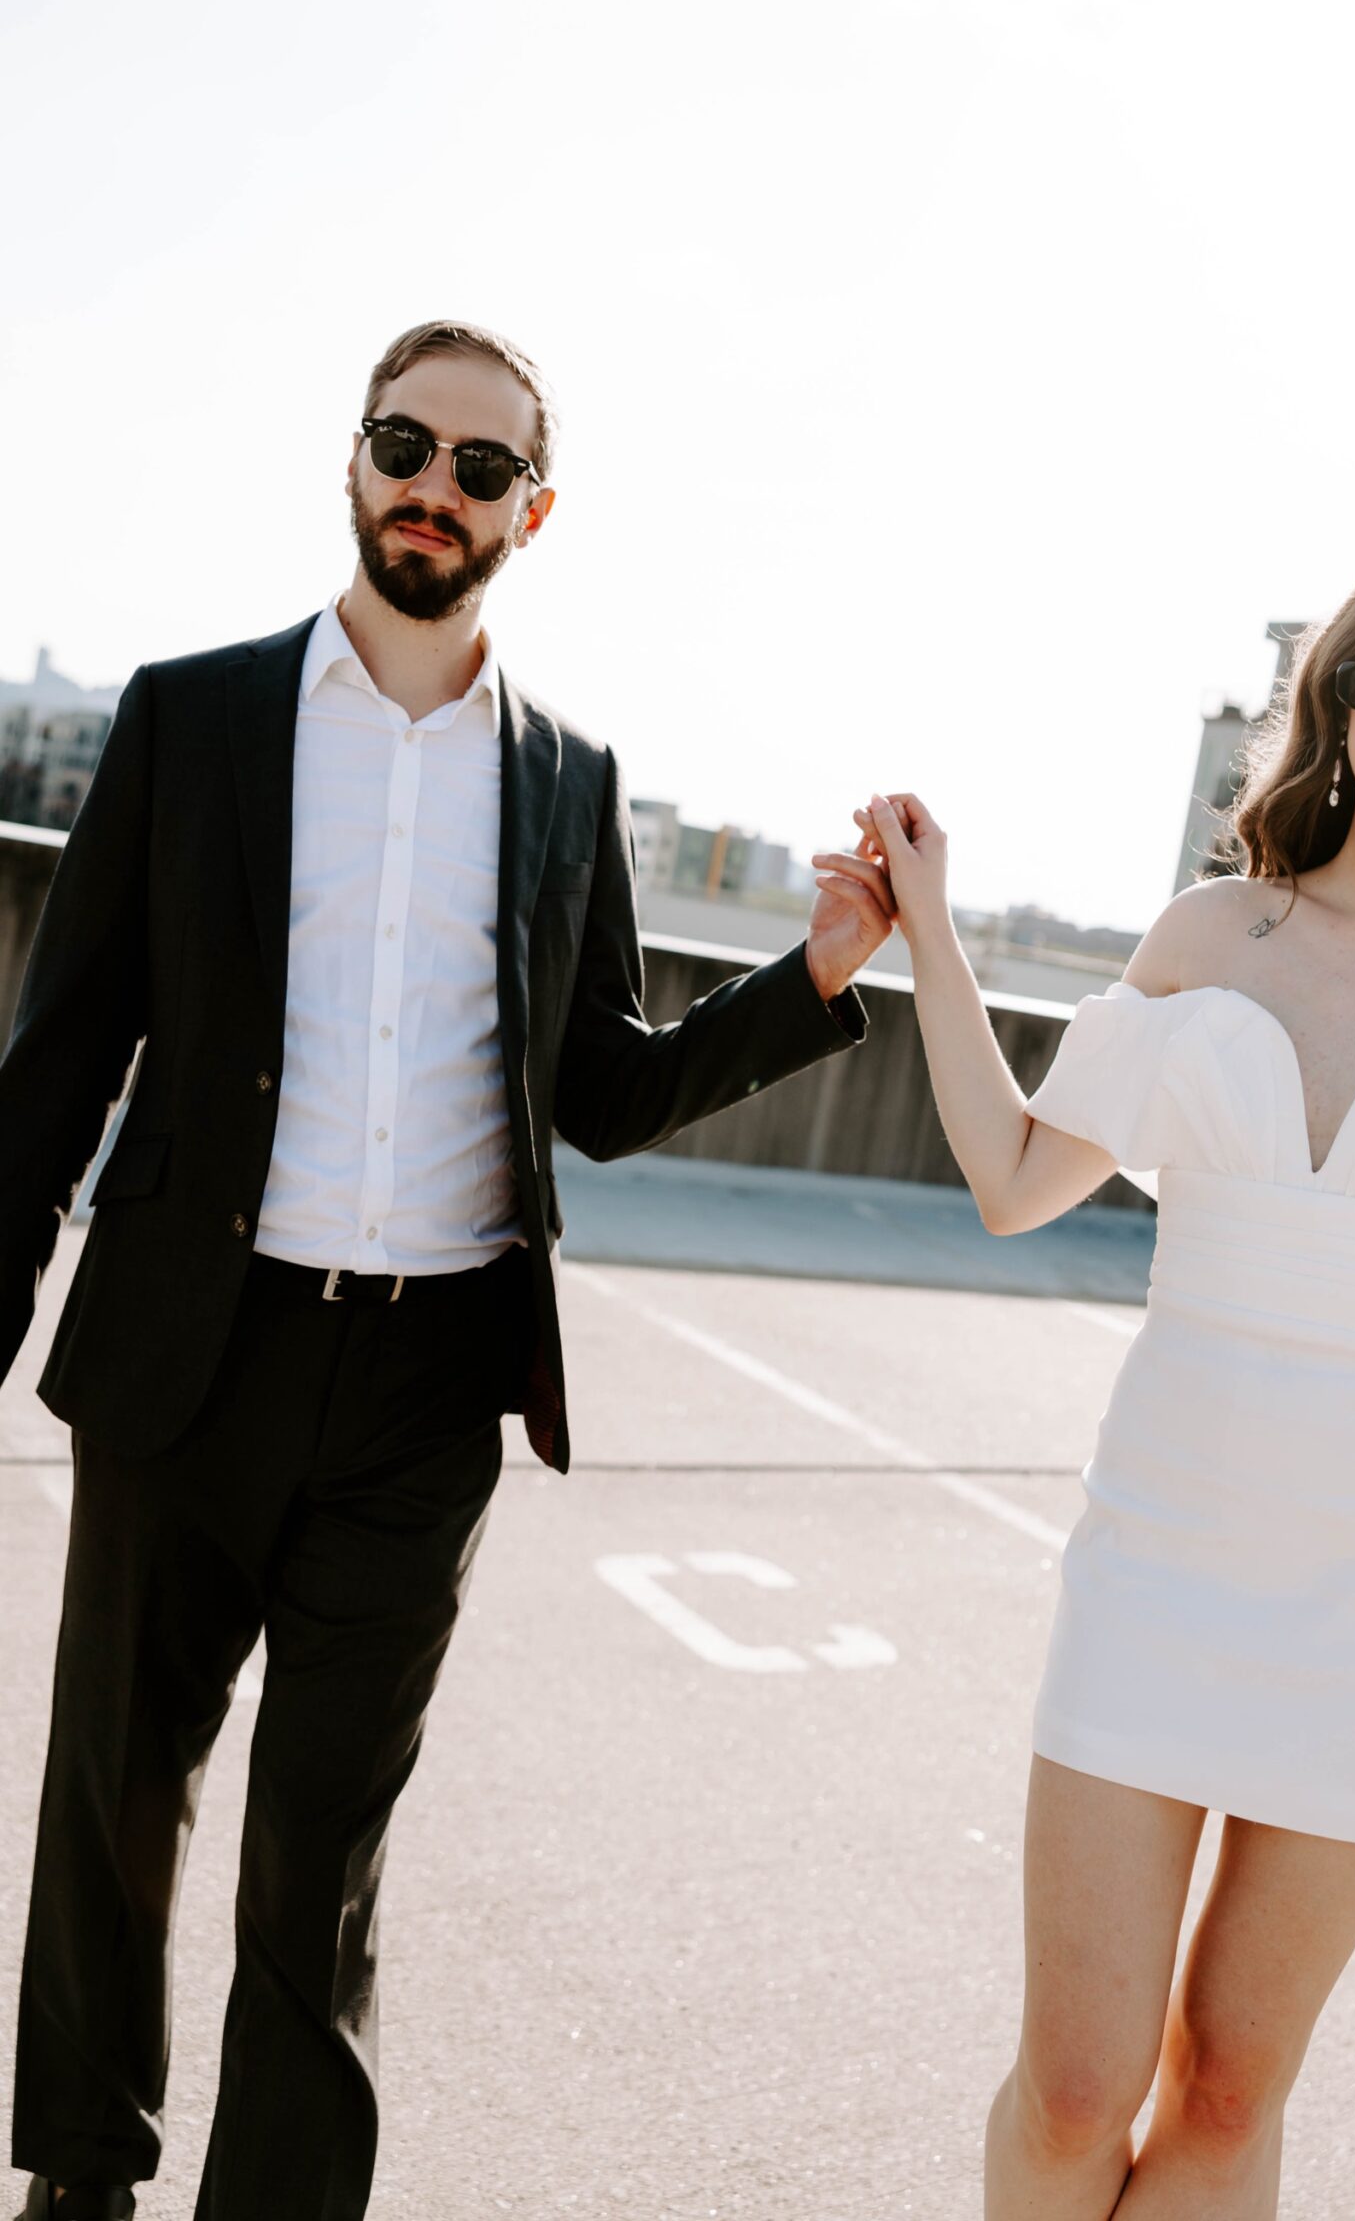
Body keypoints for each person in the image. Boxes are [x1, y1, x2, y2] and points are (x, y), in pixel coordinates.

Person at [1, 320, 895, 2221]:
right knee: (113, 1805)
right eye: (406, 444)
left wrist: (813, 977)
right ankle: (77, 2185)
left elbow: (608, 1090)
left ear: (532, 511)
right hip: (188, 1351)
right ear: (355, 458)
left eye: (480, 466)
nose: (435, 485)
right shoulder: (196, 716)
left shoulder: (569, 780)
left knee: (319, 1862)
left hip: (424, 1395)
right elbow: (58, 1060)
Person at [817, 545, 1355, 2221]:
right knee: (1078, 2083)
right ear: (1334, 699)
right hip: (1163, 1554)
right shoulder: (1214, 930)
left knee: (1229, 2086)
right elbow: (1012, 1178)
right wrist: (929, 928)